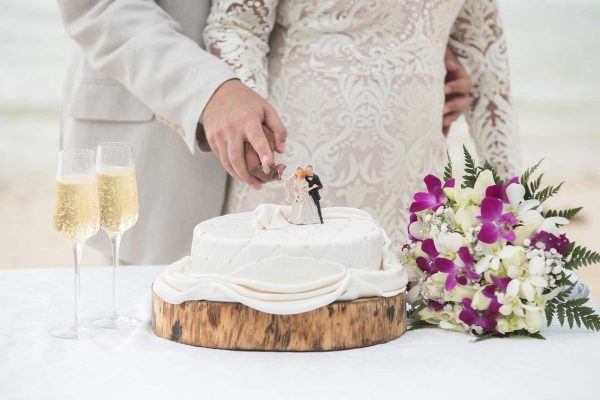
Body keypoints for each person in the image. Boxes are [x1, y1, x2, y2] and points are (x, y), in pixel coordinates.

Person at [56, 0, 473, 264]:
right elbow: (96, 5)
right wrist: (209, 90)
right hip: (163, 143)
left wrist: (415, 47)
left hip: (302, 151)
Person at [210, 0, 521, 246]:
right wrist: (250, 131)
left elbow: (487, 62)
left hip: (415, 190)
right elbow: (237, 26)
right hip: (292, 170)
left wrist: (516, 218)